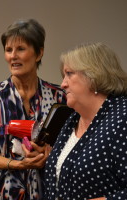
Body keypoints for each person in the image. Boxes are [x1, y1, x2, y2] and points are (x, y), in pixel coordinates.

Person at [0, 19, 66, 200]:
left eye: (21, 49)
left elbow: (70, 146)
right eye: (9, 50)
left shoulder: (59, 97)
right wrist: (16, 165)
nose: (13, 56)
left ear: (39, 53)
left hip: (46, 191)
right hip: (1, 193)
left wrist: (48, 156)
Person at [44, 42, 127, 200]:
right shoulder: (72, 120)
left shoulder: (122, 119)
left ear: (94, 76)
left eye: (69, 74)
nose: (63, 84)